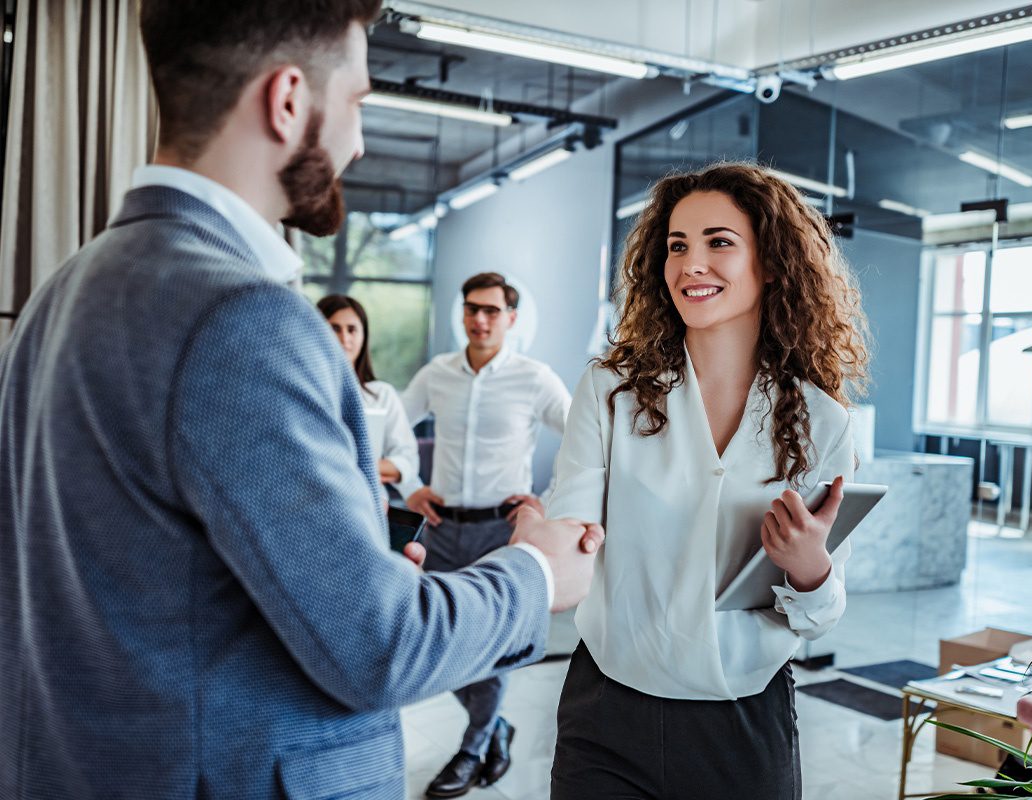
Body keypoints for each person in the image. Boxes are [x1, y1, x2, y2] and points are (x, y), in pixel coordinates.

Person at [0, 4, 604, 799]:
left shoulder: (61, 292)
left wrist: (349, 560)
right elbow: (380, 647)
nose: (356, 140)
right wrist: (536, 572)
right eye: (355, 101)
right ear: (288, 100)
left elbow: (152, 583)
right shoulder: (240, 318)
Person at [547, 162, 870, 799]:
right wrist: (532, 563)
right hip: (607, 709)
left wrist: (811, 568)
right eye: (677, 245)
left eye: (719, 242)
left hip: (742, 720)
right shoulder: (610, 393)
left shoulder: (821, 421)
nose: (691, 263)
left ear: (773, 263)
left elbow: (821, 616)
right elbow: (570, 536)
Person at [401, 271, 573, 797]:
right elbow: (390, 430)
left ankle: (472, 749)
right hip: (440, 529)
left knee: (491, 648)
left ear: (511, 319)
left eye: (492, 311)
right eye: (472, 309)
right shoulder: (437, 374)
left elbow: (584, 440)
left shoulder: (534, 377)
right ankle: (496, 727)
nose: (480, 319)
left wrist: (549, 501)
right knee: (436, 641)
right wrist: (409, 485)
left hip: (498, 531)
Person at [318, 294, 420, 499]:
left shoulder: (382, 395)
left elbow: (407, 461)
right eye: (334, 328)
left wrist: (354, 465)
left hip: (368, 506)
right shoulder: (303, 394)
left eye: (352, 330)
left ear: (363, 336)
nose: (344, 339)